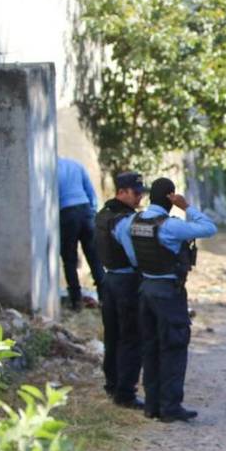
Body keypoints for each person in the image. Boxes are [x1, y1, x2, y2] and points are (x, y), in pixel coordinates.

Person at [117, 178, 217, 422]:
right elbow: (208, 228)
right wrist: (187, 207)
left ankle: (152, 406)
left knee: (150, 347)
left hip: (145, 289)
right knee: (173, 346)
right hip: (168, 292)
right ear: (171, 197)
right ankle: (171, 407)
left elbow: (127, 248)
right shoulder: (171, 226)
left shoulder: (132, 221)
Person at [95, 172, 147, 408]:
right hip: (126, 282)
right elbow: (135, 257)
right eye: (136, 193)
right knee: (131, 337)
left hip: (109, 280)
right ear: (122, 192)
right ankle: (125, 392)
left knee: (112, 336)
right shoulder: (125, 221)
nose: (139, 198)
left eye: (141, 193)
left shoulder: (103, 215)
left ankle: (112, 385)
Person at [57, 157, 104, 310]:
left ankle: (76, 301)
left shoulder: (50, 168)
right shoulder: (76, 164)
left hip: (66, 214)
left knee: (69, 259)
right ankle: (105, 298)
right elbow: (91, 192)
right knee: (94, 257)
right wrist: (93, 213)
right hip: (85, 211)